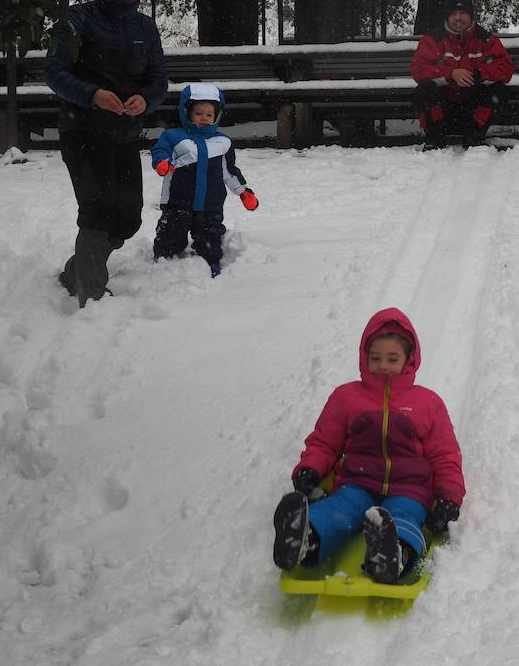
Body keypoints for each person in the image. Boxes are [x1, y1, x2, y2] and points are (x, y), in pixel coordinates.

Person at [272, 307, 465, 584]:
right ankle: (305, 539)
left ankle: (393, 554)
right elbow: (324, 441)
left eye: (392, 358)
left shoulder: (428, 403)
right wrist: (310, 469)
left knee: (403, 517)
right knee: (340, 509)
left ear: (409, 361)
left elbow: (445, 456)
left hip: (410, 488)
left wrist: (449, 498)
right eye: (375, 358)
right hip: (357, 482)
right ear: (364, 357)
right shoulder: (346, 397)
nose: (383, 365)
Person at [46, 0, 168, 307]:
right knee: (97, 210)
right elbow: (54, 72)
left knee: (127, 217)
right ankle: (91, 292)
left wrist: (147, 99)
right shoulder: (77, 19)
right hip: (82, 129)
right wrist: (93, 95)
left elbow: (158, 79)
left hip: (126, 133)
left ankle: (76, 270)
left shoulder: (146, 27)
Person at [150, 82, 258, 278]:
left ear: (217, 116)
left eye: (209, 114)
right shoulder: (174, 136)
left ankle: (211, 261)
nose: (205, 119)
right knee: (171, 234)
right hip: (178, 200)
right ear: (187, 112)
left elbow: (229, 171)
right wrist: (162, 163)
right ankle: (163, 263)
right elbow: (160, 151)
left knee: (210, 235)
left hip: (211, 203)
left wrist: (243, 192)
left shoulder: (223, 142)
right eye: (199, 113)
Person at [410, 0, 515, 149]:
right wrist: (450, 73)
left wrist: (478, 74)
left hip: (472, 109)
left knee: (499, 91)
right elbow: (418, 70)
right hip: (443, 109)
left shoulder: (486, 39)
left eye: (462, 13)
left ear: (471, 16)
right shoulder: (432, 40)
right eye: (453, 14)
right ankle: (435, 138)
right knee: (423, 90)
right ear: (446, 17)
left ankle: (474, 136)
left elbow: (506, 68)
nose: (458, 18)